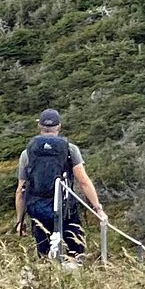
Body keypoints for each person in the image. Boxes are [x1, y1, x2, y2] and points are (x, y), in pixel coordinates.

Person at [16, 108, 103, 265]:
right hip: (66, 210)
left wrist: (19, 221)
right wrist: (98, 209)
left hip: (38, 211)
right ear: (59, 126)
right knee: (75, 254)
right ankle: (75, 273)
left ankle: (48, 275)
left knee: (44, 257)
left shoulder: (27, 153)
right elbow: (83, 181)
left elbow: (20, 191)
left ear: (39, 126)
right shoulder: (70, 149)